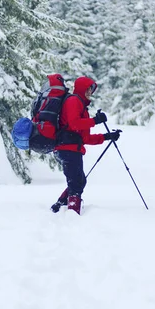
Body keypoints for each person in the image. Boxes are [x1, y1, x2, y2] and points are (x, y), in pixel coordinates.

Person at [51, 76, 121, 215]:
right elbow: (74, 123)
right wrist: (95, 120)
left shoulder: (82, 106)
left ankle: (59, 206)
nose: (90, 92)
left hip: (72, 149)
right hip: (67, 148)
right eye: (88, 88)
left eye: (92, 89)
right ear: (82, 88)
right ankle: (72, 213)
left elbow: (85, 138)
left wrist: (107, 137)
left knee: (79, 181)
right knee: (76, 183)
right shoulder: (73, 101)